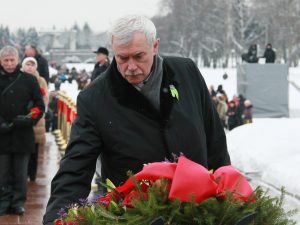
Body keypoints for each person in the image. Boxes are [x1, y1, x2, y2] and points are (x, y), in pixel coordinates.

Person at [43, 15, 230, 224]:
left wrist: (228, 199)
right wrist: (56, 218)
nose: (131, 66)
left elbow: (215, 141)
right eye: (122, 58)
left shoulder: (187, 72)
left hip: (199, 210)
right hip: (135, 216)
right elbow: (76, 167)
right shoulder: (95, 99)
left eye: (139, 56)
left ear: (155, 46)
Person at [0, 46, 45, 216]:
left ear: (18, 60)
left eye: (12, 60)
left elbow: (39, 105)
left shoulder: (29, 80)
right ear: (1, 61)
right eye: (6, 60)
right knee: (2, 172)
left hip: (23, 133)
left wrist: (28, 119)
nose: (10, 64)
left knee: (20, 173)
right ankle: (3, 201)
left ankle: (18, 202)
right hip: (2, 134)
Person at [21, 57, 49, 182]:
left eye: (32, 65)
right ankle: (22, 173)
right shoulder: (19, 78)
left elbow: (45, 97)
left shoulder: (40, 80)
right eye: (27, 64)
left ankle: (32, 175)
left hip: (36, 119)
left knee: (35, 149)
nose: (30, 67)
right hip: (21, 118)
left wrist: (36, 111)